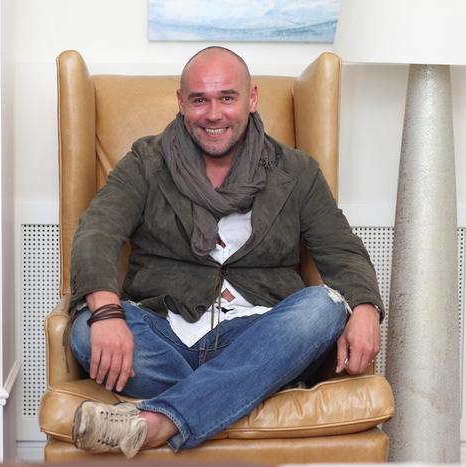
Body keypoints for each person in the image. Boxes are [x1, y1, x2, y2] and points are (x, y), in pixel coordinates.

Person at [66, 46, 384, 458]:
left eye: (227, 97)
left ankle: (158, 421)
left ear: (251, 99)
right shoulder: (146, 161)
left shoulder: (297, 171)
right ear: (182, 103)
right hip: (166, 331)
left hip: (259, 332)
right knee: (85, 329)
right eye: (200, 99)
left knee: (324, 307)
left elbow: (342, 251)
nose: (213, 114)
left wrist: (366, 308)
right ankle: (243, 387)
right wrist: (108, 314)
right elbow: (97, 231)